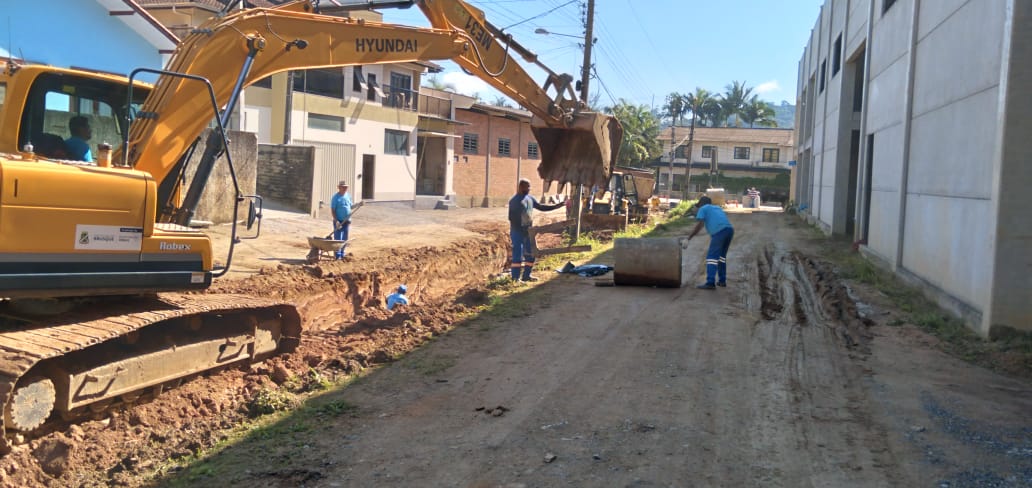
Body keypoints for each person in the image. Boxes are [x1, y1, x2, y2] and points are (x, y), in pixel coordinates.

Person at [508, 178, 564, 282]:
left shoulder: (530, 198)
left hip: (529, 231)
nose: (529, 188)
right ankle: (515, 279)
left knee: (531, 253)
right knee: (518, 255)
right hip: (518, 232)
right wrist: (521, 229)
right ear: (521, 187)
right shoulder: (515, 201)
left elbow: (541, 207)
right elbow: (511, 218)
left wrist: (556, 206)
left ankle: (526, 276)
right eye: (527, 186)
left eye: (529, 186)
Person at [686, 195, 734, 290]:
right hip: (729, 230)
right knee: (721, 257)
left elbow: (700, 225)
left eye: (699, 205)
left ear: (701, 204)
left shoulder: (703, 209)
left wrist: (689, 238)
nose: (699, 207)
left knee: (711, 257)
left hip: (719, 232)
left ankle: (710, 282)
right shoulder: (717, 208)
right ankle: (722, 281)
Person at [330, 181, 353, 260]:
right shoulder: (335, 197)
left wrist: (359, 204)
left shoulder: (348, 196)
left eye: (346, 187)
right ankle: (337, 256)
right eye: (343, 187)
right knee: (338, 239)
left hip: (346, 220)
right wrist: (336, 221)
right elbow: (333, 210)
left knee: (345, 239)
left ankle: (342, 254)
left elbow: (351, 207)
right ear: (339, 187)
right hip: (338, 221)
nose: (345, 188)